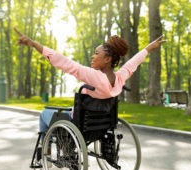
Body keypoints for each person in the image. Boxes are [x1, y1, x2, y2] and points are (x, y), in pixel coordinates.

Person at [14, 27, 165, 136]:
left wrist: (34, 44)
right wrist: (149, 48)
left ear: (107, 59)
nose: (93, 57)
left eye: (96, 53)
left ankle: (44, 150)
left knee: (44, 114)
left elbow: (64, 62)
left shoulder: (95, 77)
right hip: (100, 125)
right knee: (63, 110)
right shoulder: (119, 80)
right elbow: (133, 63)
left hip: (80, 124)